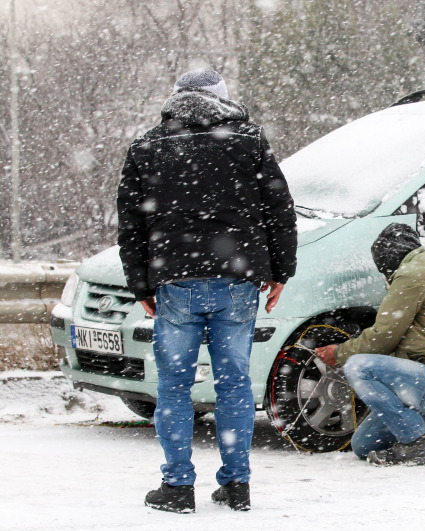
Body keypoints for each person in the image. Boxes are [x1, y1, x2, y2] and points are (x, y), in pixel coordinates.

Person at [117, 69, 297, 513]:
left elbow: (131, 224)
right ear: (223, 99)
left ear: (175, 100)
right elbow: (279, 209)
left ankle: (178, 486)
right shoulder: (249, 141)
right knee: (234, 384)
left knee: (174, 387)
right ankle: (237, 484)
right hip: (237, 279)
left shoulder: (147, 146)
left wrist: (140, 283)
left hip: (175, 280)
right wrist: (280, 271)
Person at [314, 223, 425, 466]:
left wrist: (340, 353)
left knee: (358, 366)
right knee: (364, 445)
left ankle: (415, 445)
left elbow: (382, 337)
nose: (385, 279)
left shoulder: (412, 275)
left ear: (388, 262)